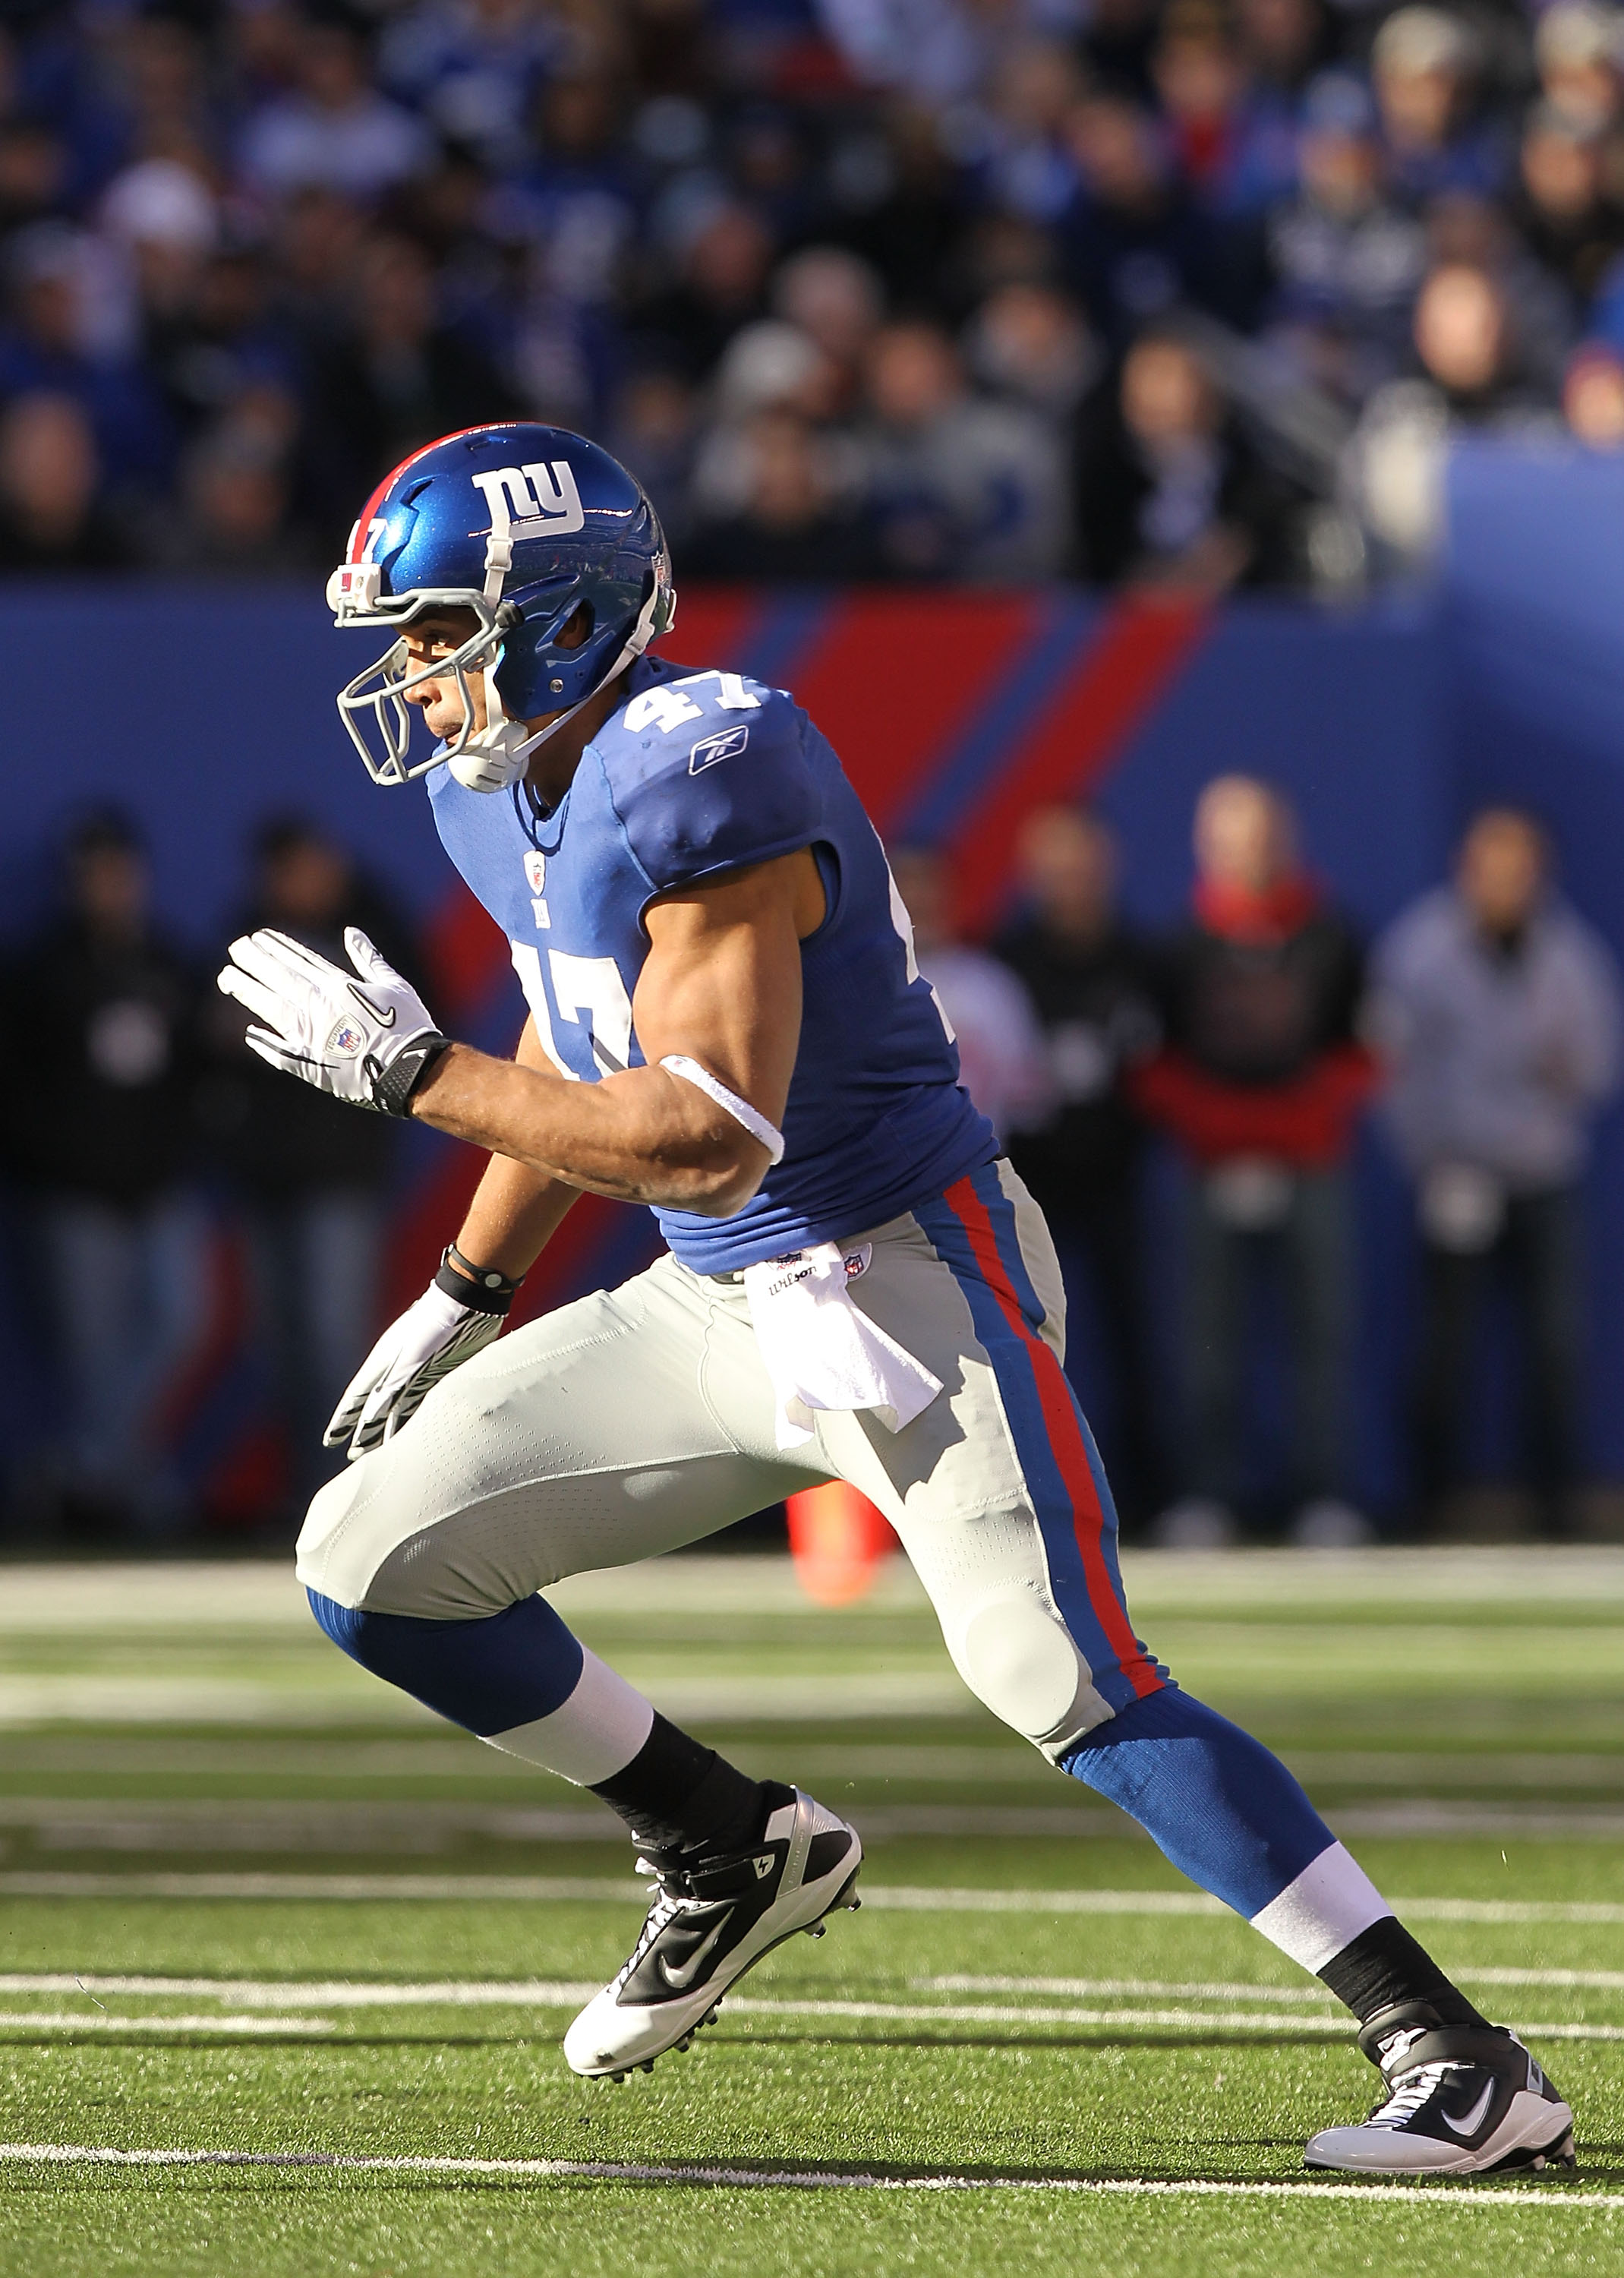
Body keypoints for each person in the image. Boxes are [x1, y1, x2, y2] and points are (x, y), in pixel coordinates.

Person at [215, 419, 1574, 2175]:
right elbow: (576, 1027)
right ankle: (724, 1841)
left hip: (900, 1268)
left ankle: (1458, 2058)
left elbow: (702, 1135)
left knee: (1051, 1667)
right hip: (710, 1305)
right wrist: (470, 1283)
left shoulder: (704, 761)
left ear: (553, 621)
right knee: (367, 1559)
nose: (409, 674)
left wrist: (411, 1076)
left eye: (436, 628)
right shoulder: (491, 786)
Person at [1134, 775, 1375, 1547]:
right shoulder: (1180, 946)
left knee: (1321, 1332)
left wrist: (1292, 1127)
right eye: (1235, 834)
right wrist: (1221, 1130)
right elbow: (1155, 1065)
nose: (1252, 849)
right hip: (1210, 1172)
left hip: (1312, 1167)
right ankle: (1208, 1494)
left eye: (1264, 832)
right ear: (1208, 845)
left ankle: (1323, 1494)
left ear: (1289, 837)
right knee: (1209, 1338)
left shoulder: (1335, 937)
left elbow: (1364, 1055)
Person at [1370, 809, 1622, 1533]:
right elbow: (1389, 1070)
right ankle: (1429, 1500)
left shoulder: (1570, 957)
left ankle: (1558, 1503)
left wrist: (1557, 1079)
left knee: (1554, 1343)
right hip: (1454, 1176)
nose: (1507, 884)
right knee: (1443, 1347)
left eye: (1520, 869)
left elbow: (1597, 1066)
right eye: (1493, 866)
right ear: (1466, 868)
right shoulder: (1420, 951)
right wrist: (1428, 1157)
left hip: (1543, 1174)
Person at [2, 810, 206, 1533]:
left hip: (159, 1190)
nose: (109, 888)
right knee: (94, 1354)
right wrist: (59, 1160)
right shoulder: (40, 970)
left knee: (181, 1324)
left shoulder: (168, 962)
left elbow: (192, 1076)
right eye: (95, 875)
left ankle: (81, 1468)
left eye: (119, 873)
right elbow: (20, 1090)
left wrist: (176, 1153)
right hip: (74, 1195)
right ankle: (131, 1491)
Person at [209, 817, 420, 1512]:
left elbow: (429, 1037)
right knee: (281, 1347)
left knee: (336, 1341)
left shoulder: (372, 931)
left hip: (341, 1171)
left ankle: (350, 1496)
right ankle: (310, 1493)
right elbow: (209, 1029)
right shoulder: (251, 936)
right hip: (267, 1173)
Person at [996, 806, 1168, 1526]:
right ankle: (1027, 1493)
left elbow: (1164, 1069)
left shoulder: (1141, 959)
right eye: (1056, 864)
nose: (1071, 879)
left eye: (1083, 863)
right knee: (1017, 1343)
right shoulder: (1004, 964)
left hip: (1117, 1175)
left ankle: (1151, 1495)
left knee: (1136, 1336)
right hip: (1022, 1184)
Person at [888, 843, 1049, 1141]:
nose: (920, 898)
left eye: (930, 883)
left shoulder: (994, 987)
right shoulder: (859, 989)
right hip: (884, 1176)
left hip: (978, 1171)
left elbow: (1031, 1105)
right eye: (907, 884)